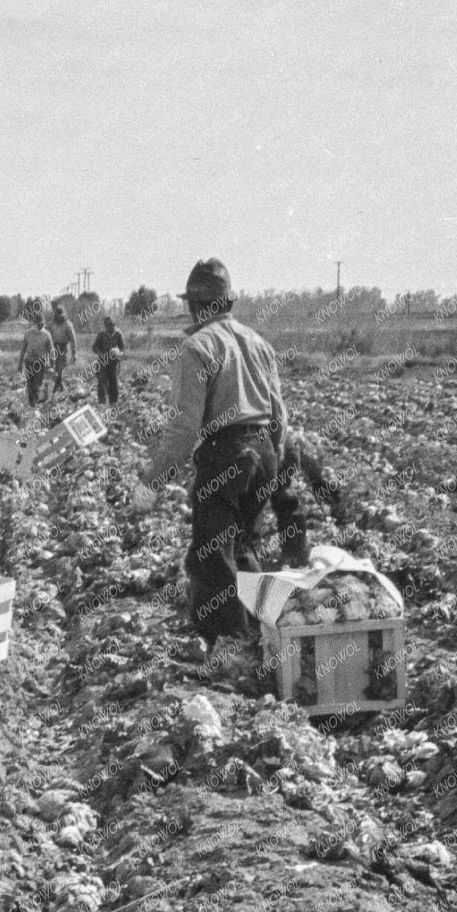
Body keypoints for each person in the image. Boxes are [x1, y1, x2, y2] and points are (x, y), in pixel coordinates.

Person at [133, 258, 288, 657]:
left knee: (213, 557)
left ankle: (228, 651)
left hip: (227, 453)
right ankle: (261, 641)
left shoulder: (196, 347)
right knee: (245, 547)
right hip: (264, 451)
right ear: (227, 302)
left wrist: (152, 479)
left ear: (194, 305)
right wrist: (272, 461)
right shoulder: (258, 342)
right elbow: (279, 414)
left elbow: (185, 427)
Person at [268, 424, 350, 568]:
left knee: (246, 508)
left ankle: (244, 564)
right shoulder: (266, 404)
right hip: (284, 449)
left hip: (261, 451)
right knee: (284, 499)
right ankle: (296, 556)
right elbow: (293, 445)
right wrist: (316, 478)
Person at [18, 310, 53, 407]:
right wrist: (20, 364)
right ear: (34, 323)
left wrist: (52, 365)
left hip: (40, 363)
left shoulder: (47, 335)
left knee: (38, 383)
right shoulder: (28, 333)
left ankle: (35, 403)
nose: (41, 326)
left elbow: (51, 351)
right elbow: (23, 349)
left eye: (42, 324)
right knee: (30, 383)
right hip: (29, 361)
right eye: (39, 324)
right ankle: (31, 403)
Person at [47, 301, 79, 395]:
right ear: (55, 315)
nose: (59, 317)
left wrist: (74, 353)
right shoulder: (51, 324)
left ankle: (58, 384)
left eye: (61, 315)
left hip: (63, 347)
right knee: (52, 367)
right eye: (57, 315)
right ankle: (58, 385)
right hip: (53, 347)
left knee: (60, 367)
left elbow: (73, 339)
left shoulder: (68, 324)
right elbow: (47, 336)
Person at [93, 314, 125, 405]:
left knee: (113, 381)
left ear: (114, 324)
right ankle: (101, 403)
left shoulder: (118, 334)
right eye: (107, 325)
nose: (110, 327)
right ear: (105, 325)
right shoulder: (101, 334)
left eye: (111, 324)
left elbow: (122, 348)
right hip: (102, 361)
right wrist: (101, 354)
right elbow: (95, 347)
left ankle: (113, 402)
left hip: (114, 362)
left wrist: (118, 353)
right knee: (102, 381)